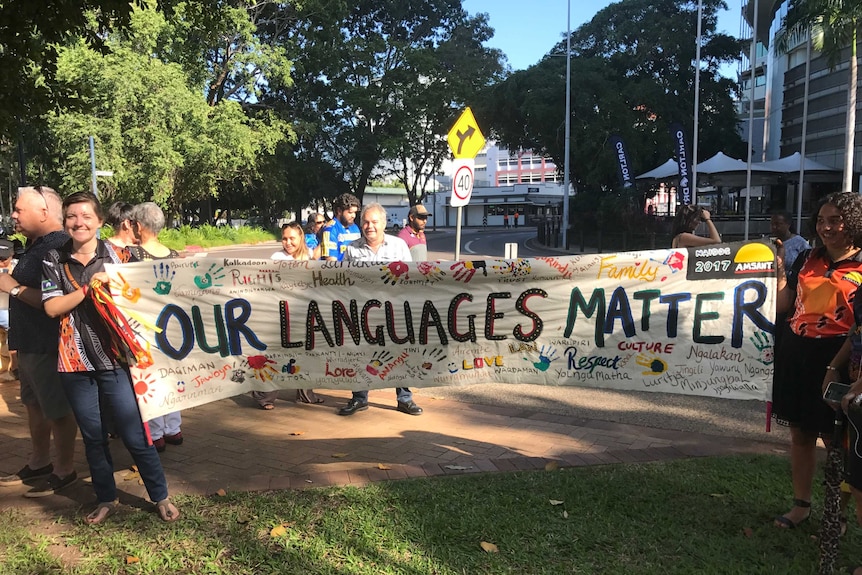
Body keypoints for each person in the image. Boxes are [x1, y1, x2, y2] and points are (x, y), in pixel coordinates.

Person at [41, 191, 179, 524]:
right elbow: (51, 307)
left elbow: (150, 294)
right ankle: (105, 498)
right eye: (72, 216)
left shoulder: (122, 257)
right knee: (92, 436)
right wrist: (88, 289)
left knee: (135, 434)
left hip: (117, 360)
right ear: (65, 222)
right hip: (73, 362)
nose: (79, 222)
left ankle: (160, 496)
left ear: (101, 221)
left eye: (86, 216)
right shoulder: (52, 259)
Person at [772, 192, 862, 529]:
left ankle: (836, 513)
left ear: (853, 223)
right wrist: (780, 274)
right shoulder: (808, 259)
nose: (826, 227)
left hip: (840, 358)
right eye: (821, 220)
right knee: (801, 432)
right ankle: (801, 504)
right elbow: (785, 305)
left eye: (834, 220)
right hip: (797, 352)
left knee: (838, 440)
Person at [0, 186, 79, 498]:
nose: (14, 215)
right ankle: (39, 462)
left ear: (44, 213)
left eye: (19, 210)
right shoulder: (36, 245)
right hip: (30, 343)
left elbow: (56, 299)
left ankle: (64, 469)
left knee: (57, 408)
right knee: (34, 404)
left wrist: (13, 287)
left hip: (49, 344)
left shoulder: (57, 245)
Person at [339, 203, 422, 417]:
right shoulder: (352, 249)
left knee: (400, 354)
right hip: (361, 314)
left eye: (374, 222)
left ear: (384, 224)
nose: (370, 226)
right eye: (365, 222)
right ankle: (359, 398)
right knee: (360, 355)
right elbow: (344, 281)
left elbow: (409, 278)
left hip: (393, 311)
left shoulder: (399, 246)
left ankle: (405, 399)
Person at [126, 202, 181, 452]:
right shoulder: (174, 255)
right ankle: (173, 428)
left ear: (138, 225)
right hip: (174, 325)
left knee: (149, 379)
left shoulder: (131, 255)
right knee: (171, 376)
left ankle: (156, 432)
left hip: (144, 326)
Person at [257, 222, 322, 408]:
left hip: (304, 313)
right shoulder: (277, 257)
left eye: (292, 238)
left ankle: (305, 394)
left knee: (305, 354)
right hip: (282, 314)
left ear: (300, 238)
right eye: (284, 238)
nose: (288, 242)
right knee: (278, 356)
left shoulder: (308, 256)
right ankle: (265, 396)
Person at [320, 193, 361, 261]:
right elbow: (331, 262)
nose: (353, 216)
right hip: (339, 270)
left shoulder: (355, 227)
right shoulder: (330, 229)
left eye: (355, 212)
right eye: (350, 212)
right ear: (339, 211)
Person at [771, 210, 811, 276]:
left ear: (788, 225)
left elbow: (809, 264)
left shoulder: (800, 243)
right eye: (772, 224)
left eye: (778, 224)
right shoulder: (768, 242)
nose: (774, 227)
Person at [0, 238, 17, 381]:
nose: (1, 262)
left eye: (4, 259)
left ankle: (14, 369)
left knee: (12, 343)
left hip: (10, 312)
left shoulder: (18, 267)